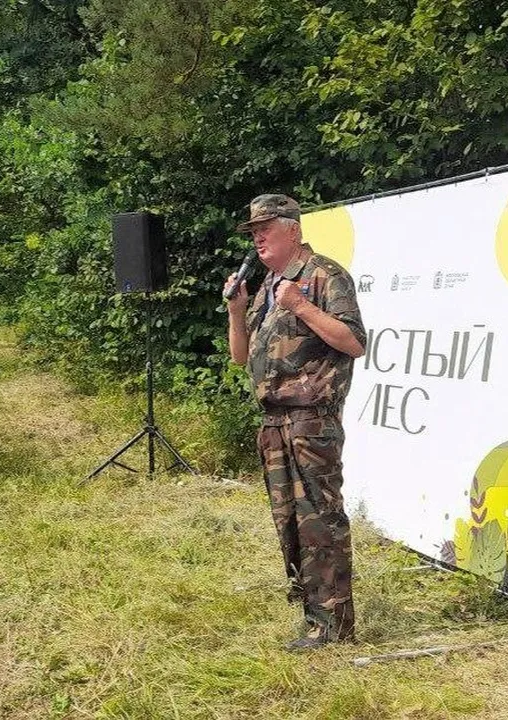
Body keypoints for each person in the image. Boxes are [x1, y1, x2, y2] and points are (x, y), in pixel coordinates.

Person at [225, 193, 366, 650]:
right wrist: (236, 310)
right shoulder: (269, 284)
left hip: (311, 420)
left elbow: (354, 343)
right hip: (274, 421)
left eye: (266, 227)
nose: (258, 237)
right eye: (254, 231)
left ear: (294, 229)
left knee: (319, 521)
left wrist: (302, 306)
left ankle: (334, 627)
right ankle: (312, 616)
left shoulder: (324, 276)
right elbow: (240, 356)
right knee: (289, 520)